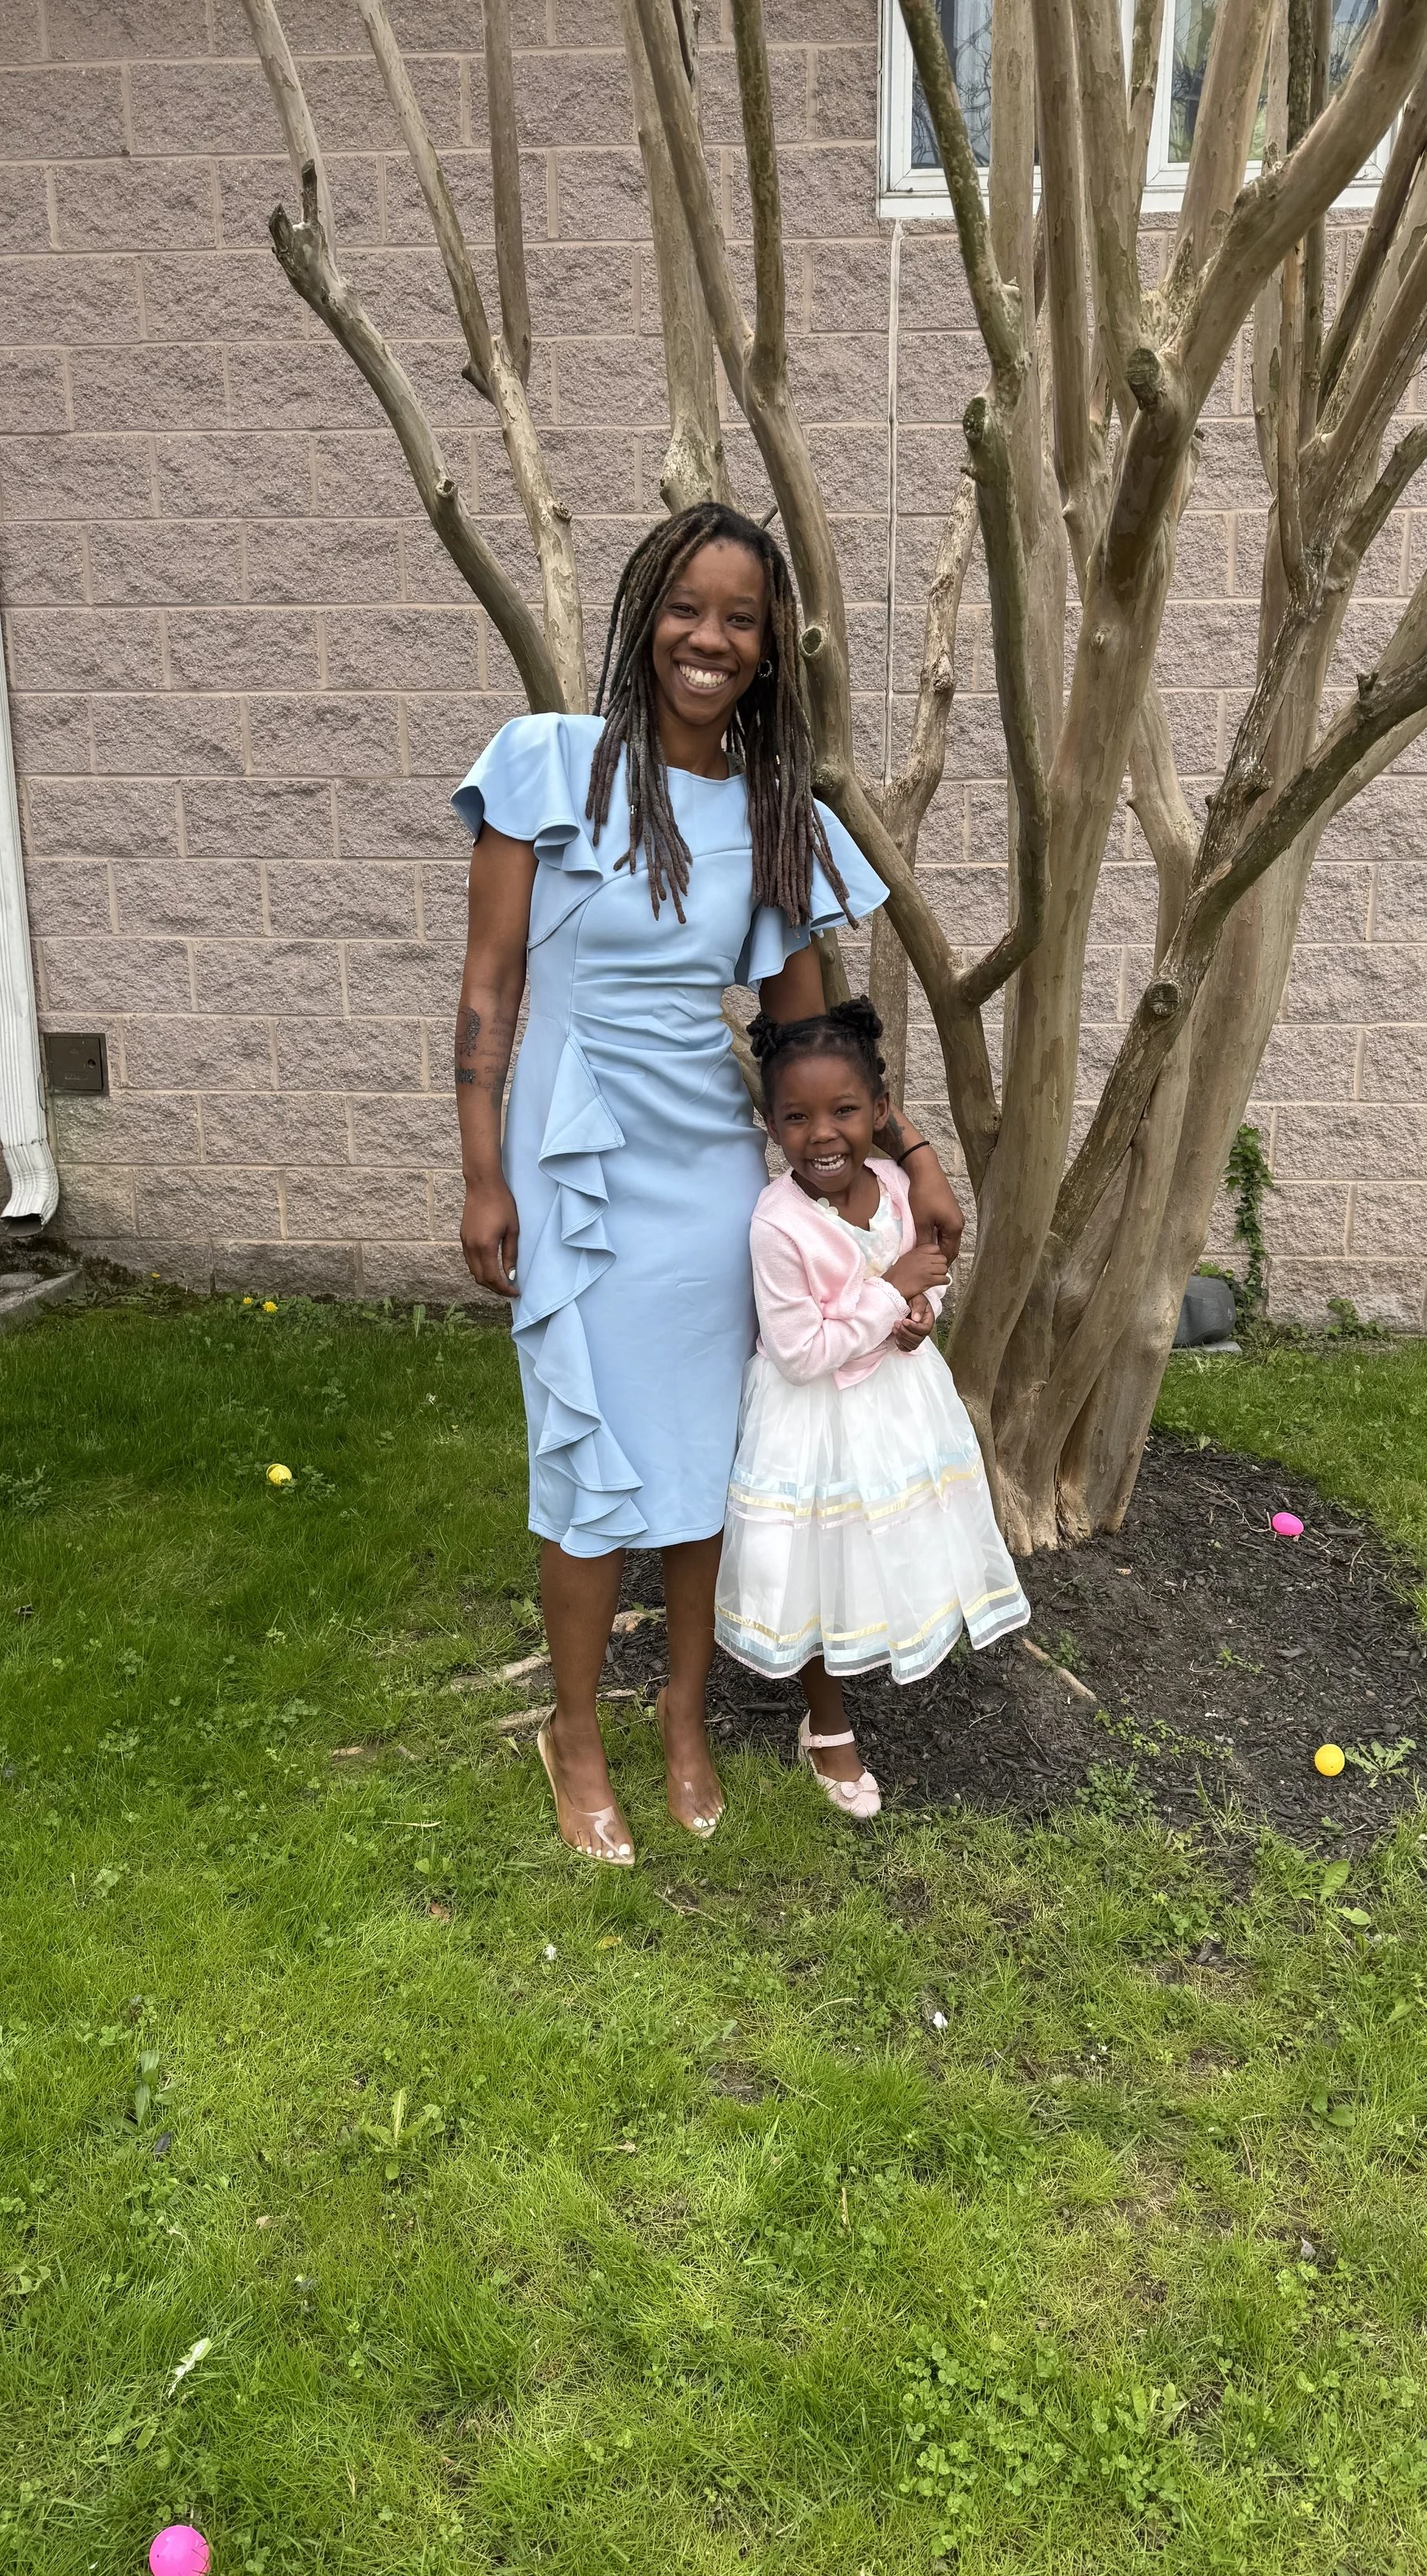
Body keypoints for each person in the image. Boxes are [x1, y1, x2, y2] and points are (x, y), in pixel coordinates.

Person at [452, 501, 966, 1864]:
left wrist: (909, 1147)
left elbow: (812, 1044)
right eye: (688, 606)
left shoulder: (771, 816)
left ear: (768, 651)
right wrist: (481, 1174)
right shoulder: (548, 767)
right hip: (578, 1174)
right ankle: (575, 1732)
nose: (710, 638)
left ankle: (681, 1720)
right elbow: (489, 991)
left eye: (741, 619)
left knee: (701, 1462)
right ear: (645, 613)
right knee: (583, 1466)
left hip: (706, 1179)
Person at [713, 999, 1029, 1820]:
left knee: (884, 1541)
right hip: (812, 1422)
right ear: (771, 1125)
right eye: (797, 1117)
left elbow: (926, 1270)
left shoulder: (893, 1185)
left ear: (880, 1115)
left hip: (894, 1406)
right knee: (817, 1564)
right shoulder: (776, 1224)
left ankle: (878, 1642)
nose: (823, 1133)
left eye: (844, 1111)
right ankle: (826, 1725)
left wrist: (921, 1315)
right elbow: (800, 1351)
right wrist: (890, 1297)